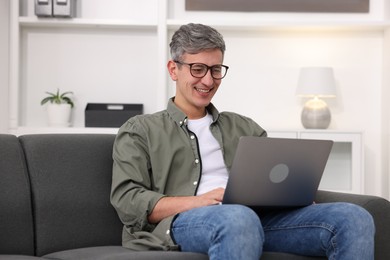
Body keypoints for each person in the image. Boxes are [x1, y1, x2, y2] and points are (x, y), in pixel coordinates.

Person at [110, 23, 375, 259]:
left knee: (353, 217)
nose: (208, 80)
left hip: (257, 221)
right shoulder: (140, 130)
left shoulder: (245, 127)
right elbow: (128, 201)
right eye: (198, 69)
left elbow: (271, 182)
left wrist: (293, 197)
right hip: (184, 223)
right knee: (238, 218)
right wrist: (200, 201)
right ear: (173, 69)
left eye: (216, 70)